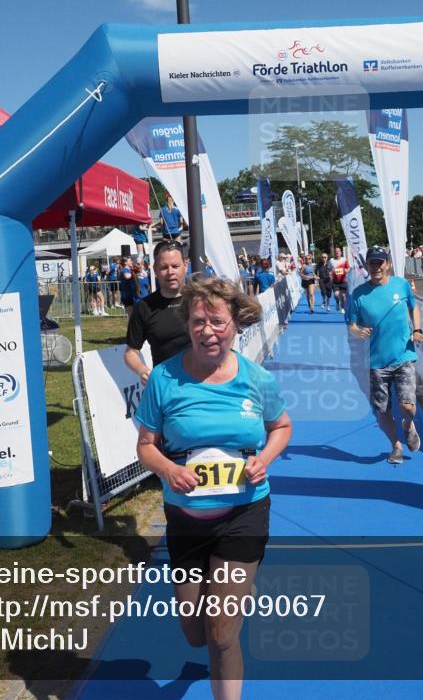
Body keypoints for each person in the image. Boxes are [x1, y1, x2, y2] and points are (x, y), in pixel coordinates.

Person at [135, 276, 292, 700]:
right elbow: (145, 447)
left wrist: (263, 459)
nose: (208, 330)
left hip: (244, 513)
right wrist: (168, 469)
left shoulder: (256, 379)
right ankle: (237, 591)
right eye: (199, 321)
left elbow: (281, 427)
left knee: (222, 635)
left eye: (218, 322)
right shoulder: (164, 380)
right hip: (186, 518)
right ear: (187, 325)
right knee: (195, 631)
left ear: (235, 325)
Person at [348, 246, 423, 464]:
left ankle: (408, 426)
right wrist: (357, 331)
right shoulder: (358, 294)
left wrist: (417, 330)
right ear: (367, 266)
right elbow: (351, 325)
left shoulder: (401, 284)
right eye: (372, 263)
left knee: (407, 406)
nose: (376, 267)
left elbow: (414, 307)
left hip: (404, 356)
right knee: (382, 410)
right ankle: (395, 446)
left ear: (388, 265)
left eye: (380, 262)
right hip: (376, 362)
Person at [125, 240, 191, 384]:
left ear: (185, 265)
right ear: (155, 269)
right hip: (166, 387)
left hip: (202, 384)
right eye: (164, 267)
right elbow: (131, 352)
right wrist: (142, 370)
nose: (170, 272)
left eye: (175, 266)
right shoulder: (144, 307)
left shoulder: (201, 300)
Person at [330, 247, 349, 314]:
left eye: (338, 251)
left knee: (343, 296)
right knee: (336, 295)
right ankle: (337, 303)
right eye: (336, 251)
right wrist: (331, 272)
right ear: (334, 253)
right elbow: (329, 269)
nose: (337, 252)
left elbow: (348, 268)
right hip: (335, 281)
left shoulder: (344, 260)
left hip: (343, 280)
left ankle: (343, 308)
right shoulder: (331, 260)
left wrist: (346, 270)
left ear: (341, 252)